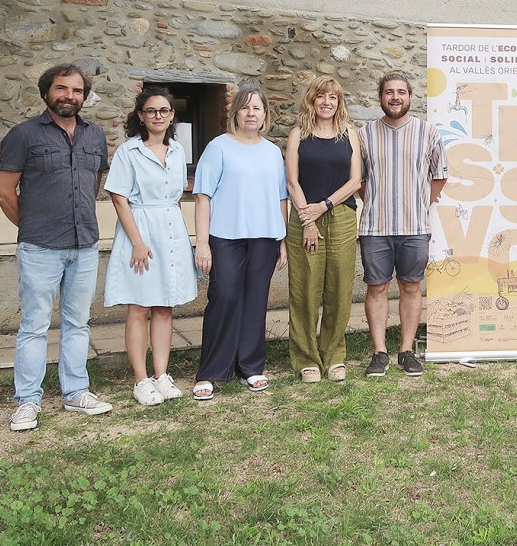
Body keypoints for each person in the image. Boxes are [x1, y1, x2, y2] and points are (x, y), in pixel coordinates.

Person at [0, 63, 113, 431]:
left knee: (78, 323)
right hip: (41, 247)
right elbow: (3, 192)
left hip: (85, 245)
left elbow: (94, 184)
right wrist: (32, 227)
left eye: (77, 91)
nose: (69, 96)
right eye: (62, 89)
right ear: (47, 92)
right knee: (34, 325)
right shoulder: (23, 135)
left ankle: (76, 392)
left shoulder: (95, 136)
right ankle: (28, 401)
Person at [191, 86, 288, 400]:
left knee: (256, 300)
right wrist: (202, 243)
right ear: (235, 113)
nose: (251, 113)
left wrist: (282, 241)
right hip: (225, 237)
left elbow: (280, 198)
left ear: (265, 116)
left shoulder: (273, 152)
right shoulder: (218, 147)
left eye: (257, 109)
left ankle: (250, 366)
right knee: (224, 296)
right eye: (245, 108)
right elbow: (203, 197)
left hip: (265, 237)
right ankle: (211, 371)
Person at [102, 85, 197, 406]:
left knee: (165, 306)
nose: (158, 116)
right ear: (141, 116)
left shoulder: (178, 150)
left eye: (165, 111)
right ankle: (141, 379)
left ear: (172, 116)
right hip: (140, 230)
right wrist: (138, 243)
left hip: (171, 229)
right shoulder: (129, 152)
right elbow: (119, 198)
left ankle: (162, 374)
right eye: (151, 111)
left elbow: (177, 195)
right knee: (139, 306)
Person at [358, 72, 448, 378]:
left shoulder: (428, 132)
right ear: (380, 97)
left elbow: (440, 175)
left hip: (414, 227)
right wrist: (375, 200)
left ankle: (406, 351)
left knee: (411, 287)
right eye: (388, 92)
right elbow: (360, 181)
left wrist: (422, 204)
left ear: (410, 96)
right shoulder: (365, 134)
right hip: (375, 227)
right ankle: (379, 352)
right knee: (376, 288)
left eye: (401, 92)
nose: (395, 97)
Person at [285, 77, 361, 383]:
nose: (327, 102)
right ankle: (306, 358)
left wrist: (324, 206)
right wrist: (309, 220)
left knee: (340, 289)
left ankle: (334, 356)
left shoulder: (350, 135)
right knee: (305, 289)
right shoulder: (297, 135)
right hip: (304, 219)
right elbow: (292, 181)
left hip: (341, 216)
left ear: (339, 102)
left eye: (333, 97)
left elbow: (355, 181)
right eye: (321, 96)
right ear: (312, 100)